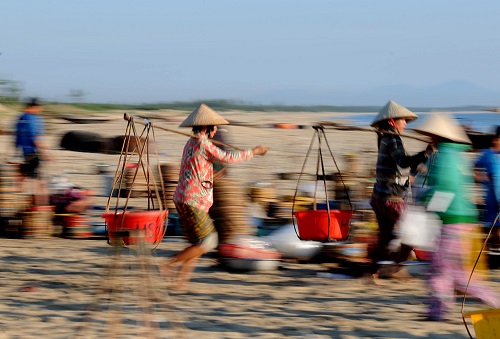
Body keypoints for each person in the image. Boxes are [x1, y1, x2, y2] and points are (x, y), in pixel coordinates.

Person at [161, 103, 268, 290]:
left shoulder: (190, 143)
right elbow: (228, 158)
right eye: (214, 127)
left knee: (197, 244)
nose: (216, 129)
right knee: (209, 241)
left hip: (181, 198)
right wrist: (254, 152)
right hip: (193, 200)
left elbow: (201, 167)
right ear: (206, 127)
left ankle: (180, 282)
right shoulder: (203, 144)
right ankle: (168, 264)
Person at [412, 113, 500, 321]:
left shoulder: (444, 158)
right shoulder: (457, 155)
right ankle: (438, 310)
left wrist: (425, 204)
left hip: (452, 221)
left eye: (430, 135)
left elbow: (444, 189)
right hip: (462, 221)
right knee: (449, 271)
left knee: (446, 271)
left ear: (437, 136)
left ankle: (441, 310)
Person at [367, 100, 436, 279]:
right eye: (403, 120)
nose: (405, 123)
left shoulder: (384, 139)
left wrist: (419, 165)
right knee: (413, 233)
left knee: (385, 238)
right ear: (392, 122)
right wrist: (425, 153)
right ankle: (394, 267)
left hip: (379, 198)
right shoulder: (392, 139)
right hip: (391, 199)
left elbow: (402, 167)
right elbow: (403, 162)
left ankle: (372, 271)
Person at [14, 98, 52, 206]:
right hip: (32, 152)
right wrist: (46, 154)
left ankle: (18, 195)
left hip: (23, 152)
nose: (41, 109)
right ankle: (40, 204)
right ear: (34, 107)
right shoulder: (33, 119)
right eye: (40, 107)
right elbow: (35, 138)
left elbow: (17, 136)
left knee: (22, 174)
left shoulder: (21, 118)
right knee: (39, 180)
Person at [475, 126, 500, 251]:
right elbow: (473, 167)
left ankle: (488, 252)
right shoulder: (488, 154)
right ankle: (484, 251)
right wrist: (482, 178)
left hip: (496, 197)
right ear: (496, 140)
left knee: (496, 231)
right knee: (494, 230)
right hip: (493, 199)